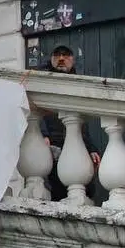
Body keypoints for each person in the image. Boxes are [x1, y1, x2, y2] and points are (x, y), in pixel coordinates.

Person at [39, 45, 102, 200]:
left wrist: (92, 149)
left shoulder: (76, 84)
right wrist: (43, 134)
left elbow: (82, 127)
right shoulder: (42, 80)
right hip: (53, 143)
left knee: (87, 187)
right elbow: (35, 108)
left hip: (74, 142)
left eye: (66, 55)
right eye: (57, 55)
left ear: (73, 60)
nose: (61, 59)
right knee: (59, 188)